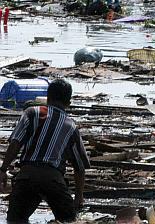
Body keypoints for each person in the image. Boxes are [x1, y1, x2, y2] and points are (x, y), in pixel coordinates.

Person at [0, 79, 90, 224]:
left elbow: (15, 143)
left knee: (15, 220)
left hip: (27, 176)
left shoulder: (31, 113)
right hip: (53, 179)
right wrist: (79, 196)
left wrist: (3, 169)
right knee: (68, 219)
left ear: (48, 97)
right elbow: (79, 166)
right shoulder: (71, 126)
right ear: (68, 102)